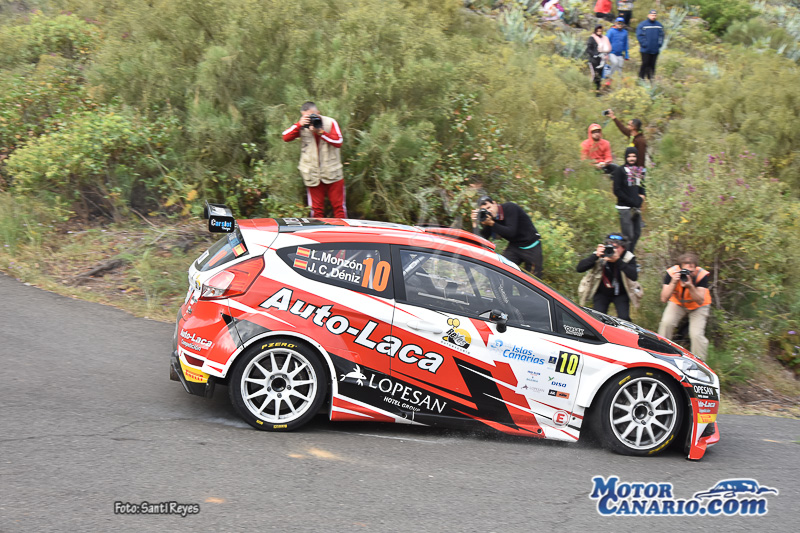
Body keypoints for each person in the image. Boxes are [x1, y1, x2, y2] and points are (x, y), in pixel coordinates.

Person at [282, 101, 346, 218]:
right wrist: (299, 124)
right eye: (306, 117)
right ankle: (318, 230)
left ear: (318, 113)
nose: (310, 120)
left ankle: (343, 230)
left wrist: (321, 132)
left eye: (312, 116)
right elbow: (285, 137)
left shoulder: (330, 122)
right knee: (316, 211)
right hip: (312, 174)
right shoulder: (302, 126)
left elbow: (339, 142)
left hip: (333, 172)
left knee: (339, 208)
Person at [657, 253, 712, 360]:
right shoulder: (672, 273)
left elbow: (700, 301)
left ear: (696, 268)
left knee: (696, 334)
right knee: (666, 323)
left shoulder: (701, 275)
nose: (688, 274)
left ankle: (699, 363)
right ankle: (660, 354)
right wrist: (673, 282)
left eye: (691, 272)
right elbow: (663, 299)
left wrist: (690, 286)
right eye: (685, 271)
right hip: (678, 303)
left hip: (698, 306)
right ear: (680, 268)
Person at [471, 196, 543, 278]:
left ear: (494, 203)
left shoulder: (510, 208)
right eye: (485, 210)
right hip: (515, 246)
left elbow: (511, 232)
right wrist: (474, 223)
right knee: (500, 271)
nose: (489, 211)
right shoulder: (490, 218)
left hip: (532, 246)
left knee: (533, 279)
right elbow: (480, 240)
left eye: (489, 207)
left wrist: (492, 223)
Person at [576, 234, 639, 321]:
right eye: (610, 246)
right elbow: (579, 268)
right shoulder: (602, 253)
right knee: (598, 317)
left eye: (616, 247)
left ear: (623, 248)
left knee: (624, 318)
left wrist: (618, 261)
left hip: (621, 293)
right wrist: (595, 256)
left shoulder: (628, 257)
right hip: (602, 292)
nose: (613, 250)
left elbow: (634, 276)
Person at [610, 147, 645, 252]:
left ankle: (630, 255)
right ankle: (625, 257)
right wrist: (631, 201)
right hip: (624, 208)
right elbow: (617, 190)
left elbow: (641, 188)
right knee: (628, 235)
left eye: (634, 156)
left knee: (637, 233)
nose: (631, 158)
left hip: (636, 208)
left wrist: (640, 200)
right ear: (625, 157)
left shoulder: (639, 170)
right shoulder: (620, 171)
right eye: (629, 156)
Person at [636, 10, 664, 81]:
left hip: (655, 49)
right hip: (645, 49)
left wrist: (659, 44)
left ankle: (651, 79)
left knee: (652, 65)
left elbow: (661, 36)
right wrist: (644, 44)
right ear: (648, 15)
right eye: (652, 15)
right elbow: (639, 35)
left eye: (655, 15)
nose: (653, 16)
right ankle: (641, 78)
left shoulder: (659, 25)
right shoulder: (643, 25)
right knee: (645, 64)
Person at [586, 25, 611, 95]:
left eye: (600, 31)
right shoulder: (592, 38)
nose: (599, 32)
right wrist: (594, 54)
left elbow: (607, 48)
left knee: (599, 75)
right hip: (593, 60)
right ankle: (590, 89)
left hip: (601, 60)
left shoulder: (604, 38)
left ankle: (597, 90)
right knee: (594, 75)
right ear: (595, 31)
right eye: (598, 31)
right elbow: (588, 49)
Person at [605, 17, 629, 84]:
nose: (620, 25)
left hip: (620, 53)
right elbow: (606, 41)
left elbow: (626, 43)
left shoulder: (625, 32)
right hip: (611, 52)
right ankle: (609, 77)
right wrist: (605, 52)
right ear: (615, 23)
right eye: (618, 23)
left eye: (621, 23)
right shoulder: (611, 31)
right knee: (615, 63)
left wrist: (627, 54)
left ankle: (618, 82)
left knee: (620, 66)